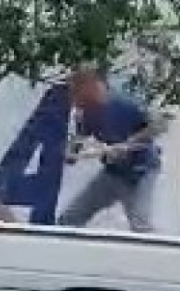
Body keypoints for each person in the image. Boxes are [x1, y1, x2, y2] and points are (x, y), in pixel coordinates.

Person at [56, 66, 168, 233]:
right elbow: (79, 139)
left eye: (77, 92)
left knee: (141, 226)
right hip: (113, 173)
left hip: (140, 173)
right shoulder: (86, 112)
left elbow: (160, 124)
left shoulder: (124, 103)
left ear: (92, 87)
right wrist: (70, 152)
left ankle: (160, 255)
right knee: (70, 219)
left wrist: (129, 143)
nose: (74, 100)